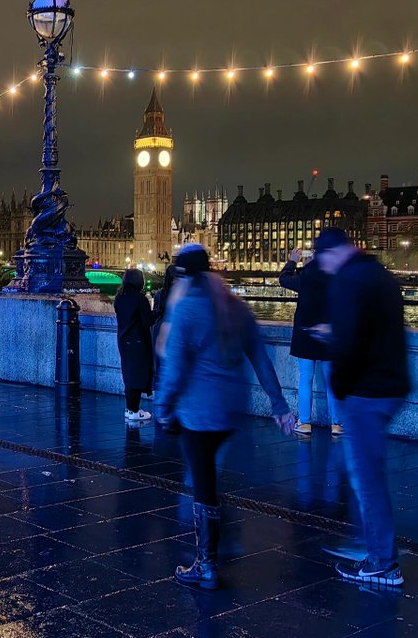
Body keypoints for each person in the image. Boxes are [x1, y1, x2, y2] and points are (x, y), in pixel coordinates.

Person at [156, 244, 295, 590]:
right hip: (232, 408)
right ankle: (220, 536)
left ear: (184, 276)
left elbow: (174, 369)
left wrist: (162, 407)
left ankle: (206, 563)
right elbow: (262, 361)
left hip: (199, 412)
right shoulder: (236, 307)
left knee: (202, 484)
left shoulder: (187, 310)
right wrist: (279, 405)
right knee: (209, 478)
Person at [311, 228, 411, 588]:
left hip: (366, 392)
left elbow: (350, 341)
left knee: (367, 478)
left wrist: (339, 387)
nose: (320, 266)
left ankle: (383, 563)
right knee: (363, 471)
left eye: (321, 258)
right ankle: (369, 546)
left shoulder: (346, 281)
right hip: (392, 385)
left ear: (331, 253)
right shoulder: (380, 274)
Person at [279, 246, 341, 436]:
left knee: (305, 379)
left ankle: (305, 423)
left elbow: (283, 279)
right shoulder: (333, 278)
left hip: (305, 335)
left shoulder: (304, 278)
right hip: (327, 336)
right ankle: (337, 424)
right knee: (332, 382)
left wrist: (292, 261)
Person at [114, 268, 153, 423]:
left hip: (123, 340)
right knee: (137, 376)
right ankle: (135, 411)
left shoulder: (119, 298)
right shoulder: (140, 299)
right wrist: (157, 313)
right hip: (138, 341)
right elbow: (146, 321)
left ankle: (130, 409)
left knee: (128, 375)